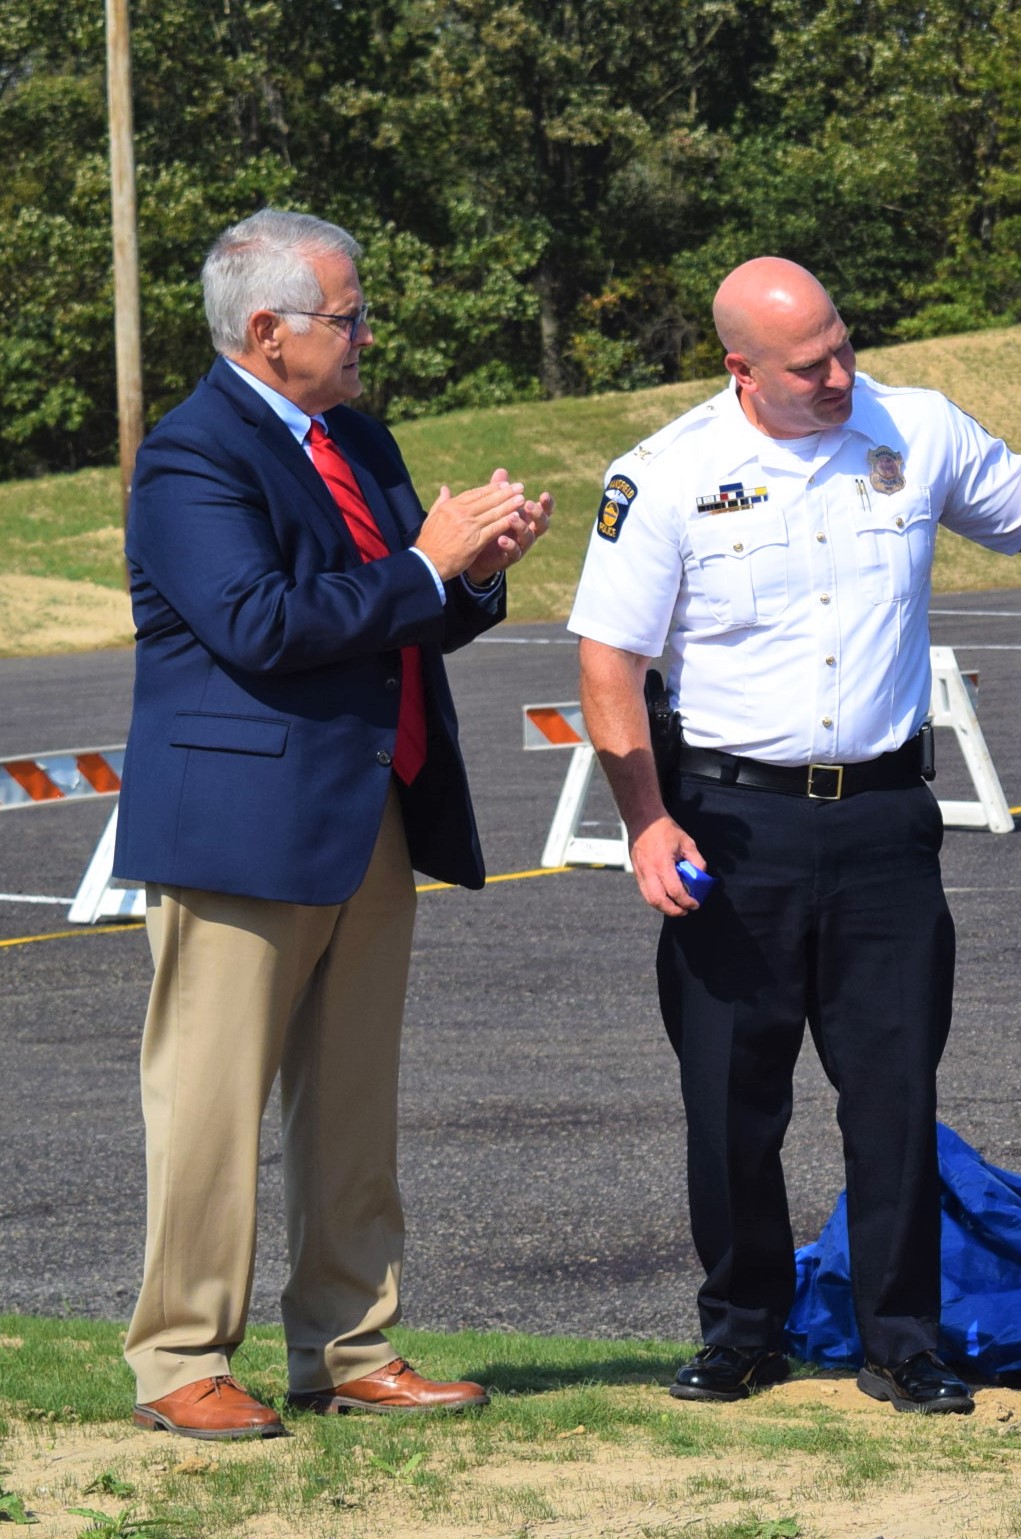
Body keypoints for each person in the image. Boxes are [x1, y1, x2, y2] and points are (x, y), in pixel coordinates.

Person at [569, 257, 1021, 1411]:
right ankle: (741, 1328)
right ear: (740, 368)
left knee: (893, 1093)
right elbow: (609, 659)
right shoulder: (668, 475)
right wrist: (644, 820)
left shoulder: (916, 427)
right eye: (808, 365)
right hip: (729, 825)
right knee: (731, 1099)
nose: (840, 373)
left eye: (843, 344)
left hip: (886, 819)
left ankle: (904, 1340)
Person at [117, 209, 553, 1439]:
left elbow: (399, 612)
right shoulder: (190, 456)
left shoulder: (358, 436)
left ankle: (349, 1345)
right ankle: (182, 1358)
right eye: (348, 317)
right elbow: (261, 624)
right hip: (240, 829)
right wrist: (426, 565)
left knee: (352, 1098)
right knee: (209, 1105)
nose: (368, 336)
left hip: (371, 811)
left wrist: (470, 573)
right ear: (268, 332)